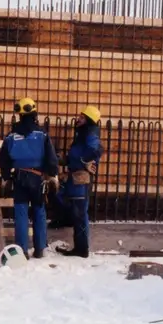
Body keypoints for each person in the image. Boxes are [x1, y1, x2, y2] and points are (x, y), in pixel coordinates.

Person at [0, 98, 59, 259]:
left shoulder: (11, 136)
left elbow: (4, 159)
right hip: (37, 177)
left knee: (21, 213)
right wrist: (52, 174)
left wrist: (6, 177)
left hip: (19, 177)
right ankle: (40, 249)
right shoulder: (42, 134)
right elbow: (51, 158)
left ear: (19, 115)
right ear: (34, 114)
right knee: (39, 211)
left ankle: (22, 250)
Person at [55, 106, 103, 258]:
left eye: (82, 117)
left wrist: (85, 162)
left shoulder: (90, 133)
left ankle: (81, 248)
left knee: (80, 213)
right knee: (61, 196)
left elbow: (95, 150)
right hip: (75, 175)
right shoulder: (82, 134)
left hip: (81, 177)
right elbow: (79, 153)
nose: (78, 119)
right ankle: (66, 222)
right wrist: (63, 160)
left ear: (88, 120)